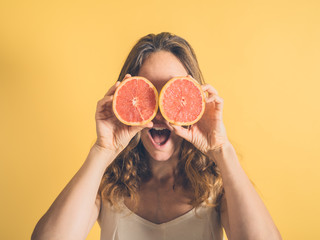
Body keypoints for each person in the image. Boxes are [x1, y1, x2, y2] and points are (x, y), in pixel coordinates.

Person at [31, 32, 282, 240]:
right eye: (148, 91)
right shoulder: (105, 185)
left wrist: (221, 149)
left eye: (172, 92)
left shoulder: (219, 185)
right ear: (126, 96)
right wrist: (102, 151)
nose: (161, 110)